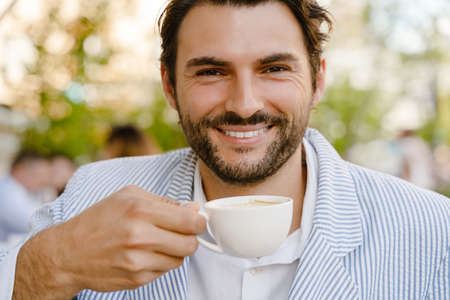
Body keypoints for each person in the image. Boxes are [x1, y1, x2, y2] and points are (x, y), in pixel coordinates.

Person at [1, 0, 448, 299]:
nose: (244, 104)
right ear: (170, 86)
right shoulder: (90, 196)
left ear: (318, 80)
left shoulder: (432, 233)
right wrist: (48, 266)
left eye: (274, 68)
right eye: (212, 71)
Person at [0, 150, 50, 242]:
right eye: (39, 175)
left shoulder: (20, 191)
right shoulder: (6, 193)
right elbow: (38, 223)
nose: (44, 182)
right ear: (20, 170)